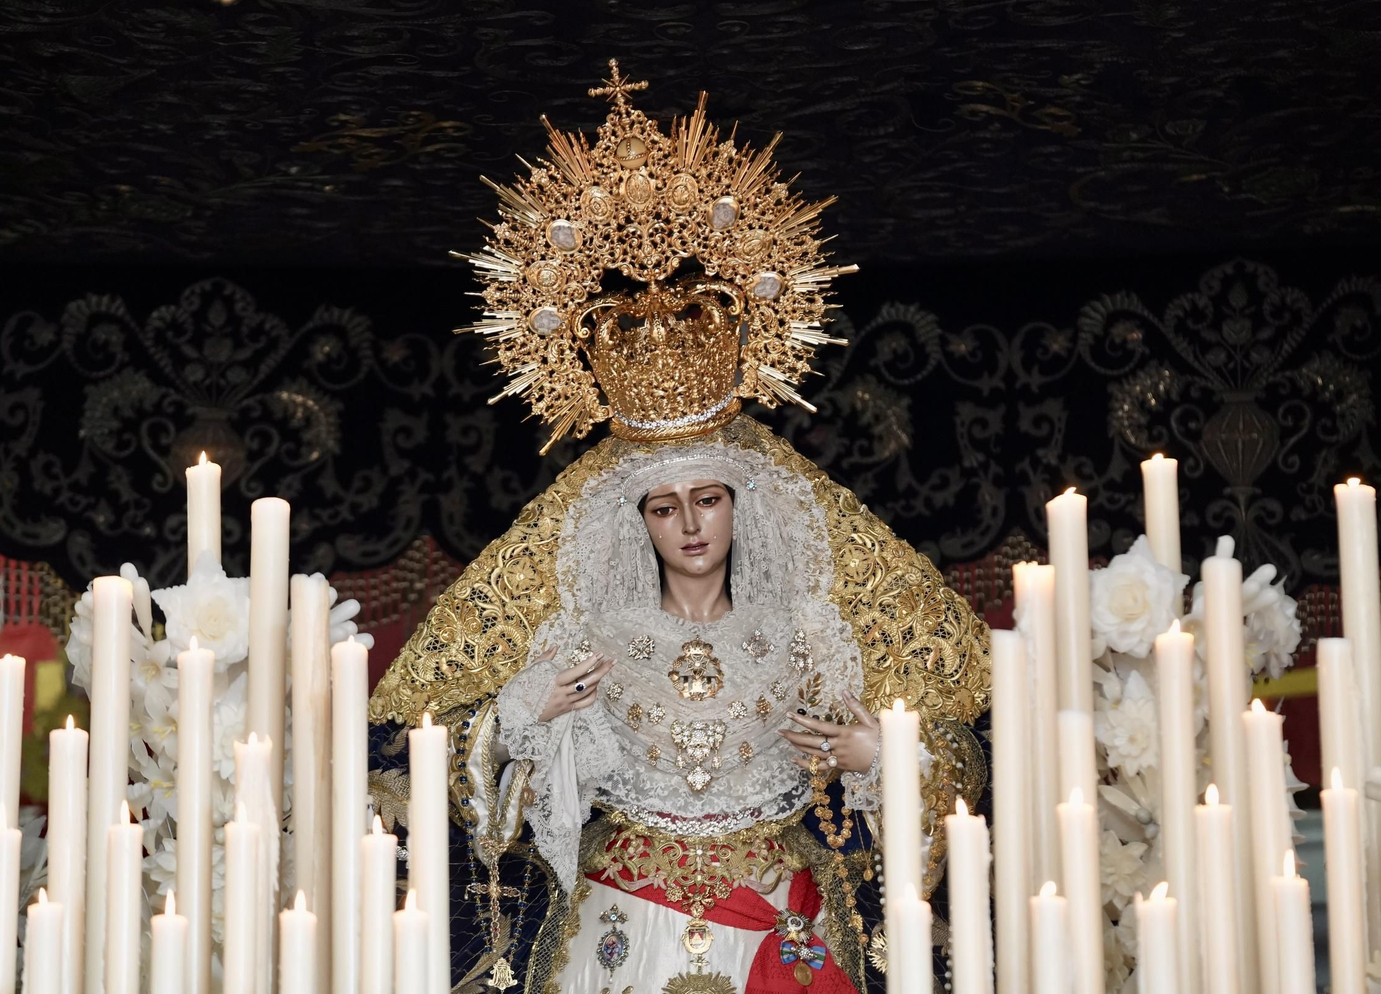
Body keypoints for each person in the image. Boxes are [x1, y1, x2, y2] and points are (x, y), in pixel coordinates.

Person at [368, 64, 990, 994]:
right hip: (619, 924)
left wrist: (883, 756)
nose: (690, 523)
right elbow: (443, 773)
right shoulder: (585, 637)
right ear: (637, 523)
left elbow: (959, 745)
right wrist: (518, 720)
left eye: (710, 498)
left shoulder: (811, 630)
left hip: (781, 928)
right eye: (664, 506)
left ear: (745, 505)